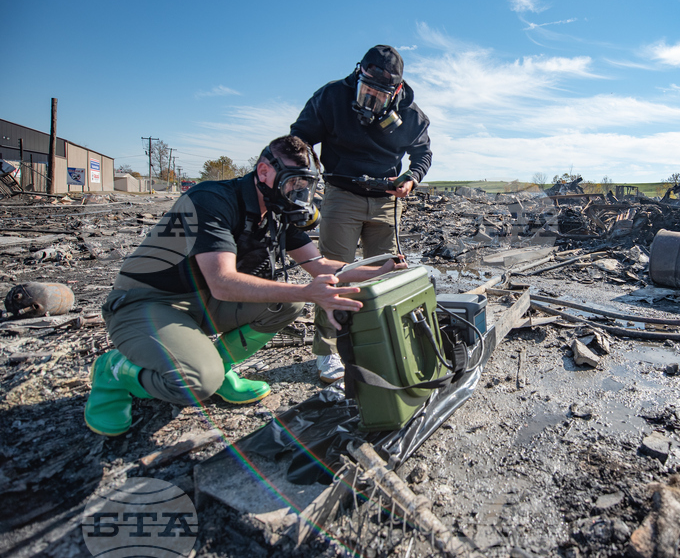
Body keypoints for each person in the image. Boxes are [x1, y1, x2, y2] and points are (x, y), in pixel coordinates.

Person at [84, 135, 406, 437]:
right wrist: (307, 293)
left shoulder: (279, 212)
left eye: (305, 185)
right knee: (196, 382)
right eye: (293, 182)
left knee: (287, 304)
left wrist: (380, 270)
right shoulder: (212, 199)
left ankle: (219, 367)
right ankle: (114, 372)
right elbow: (223, 283)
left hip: (202, 302)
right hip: (148, 302)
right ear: (264, 172)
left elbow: (319, 265)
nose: (298, 192)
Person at [290, 45, 431, 384]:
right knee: (334, 276)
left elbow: (423, 153)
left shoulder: (412, 116)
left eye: (380, 93)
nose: (371, 97)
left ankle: (378, 343)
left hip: (387, 200)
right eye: (366, 87)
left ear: (397, 90)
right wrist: (301, 180)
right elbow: (299, 139)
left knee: (385, 274)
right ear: (359, 74)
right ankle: (327, 353)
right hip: (342, 195)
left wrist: (411, 179)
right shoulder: (331, 97)